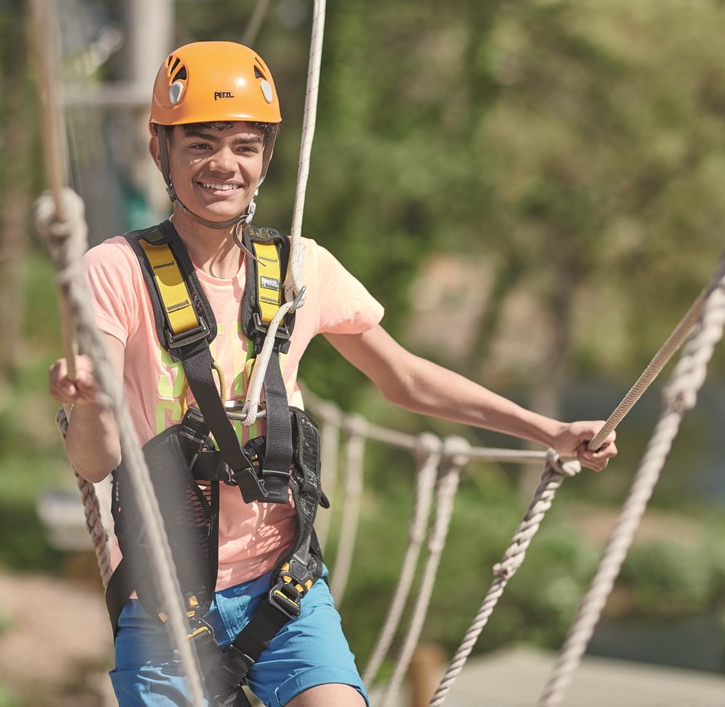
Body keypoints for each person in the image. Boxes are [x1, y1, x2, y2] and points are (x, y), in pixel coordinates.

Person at [49, 40, 618, 707]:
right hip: (167, 599)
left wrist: (546, 429)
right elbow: (96, 463)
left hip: (282, 590)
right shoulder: (114, 273)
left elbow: (403, 376)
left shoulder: (299, 269)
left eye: (245, 146)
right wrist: (89, 405)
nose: (223, 164)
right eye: (200, 144)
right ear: (159, 151)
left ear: (266, 158)